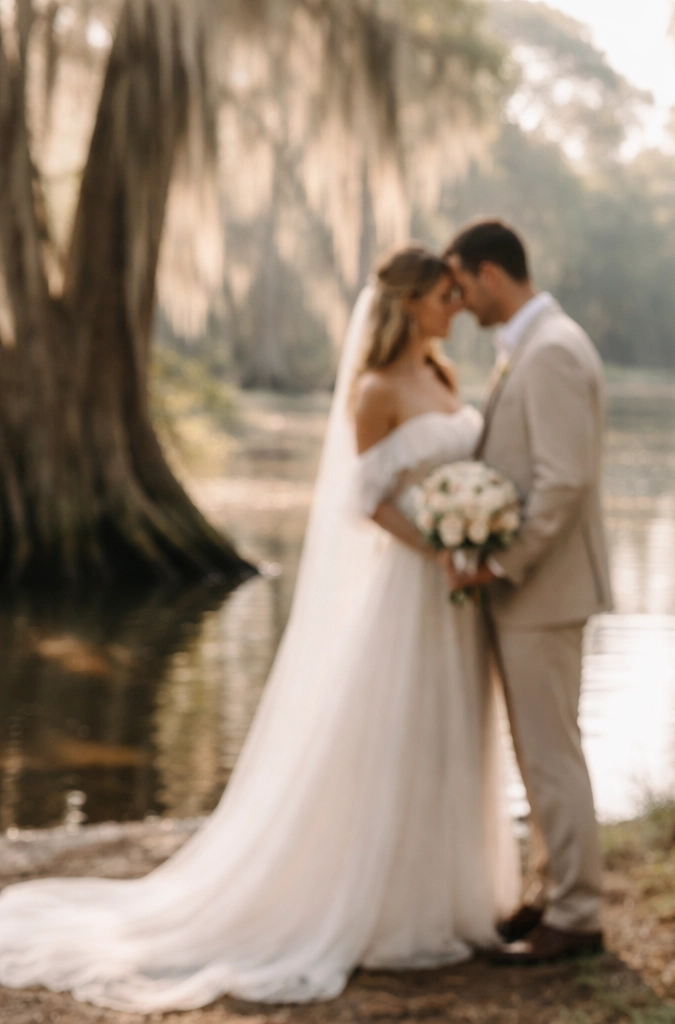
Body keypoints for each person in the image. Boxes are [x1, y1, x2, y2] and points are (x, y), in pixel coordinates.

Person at [0, 246, 520, 1012]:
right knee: (394, 735)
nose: (456, 305)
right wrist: (440, 546)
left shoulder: (442, 377)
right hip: (409, 590)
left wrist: (473, 537)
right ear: (410, 303)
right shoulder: (374, 390)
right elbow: (364, 501)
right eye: (445, 294)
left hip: (455, 593)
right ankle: (380, 906)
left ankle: (447, 898)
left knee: (449, 735)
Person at [445, 219, 613, 965]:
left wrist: (499, 561)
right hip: (535, 590)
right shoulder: (531, 344)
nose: (457, 298)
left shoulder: (550, 350)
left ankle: (577, 915)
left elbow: (563, 479)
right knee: (537, 750)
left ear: (490, 274)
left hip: (544, 589)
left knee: (550, 754)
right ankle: (550, 894)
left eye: (460, 282)